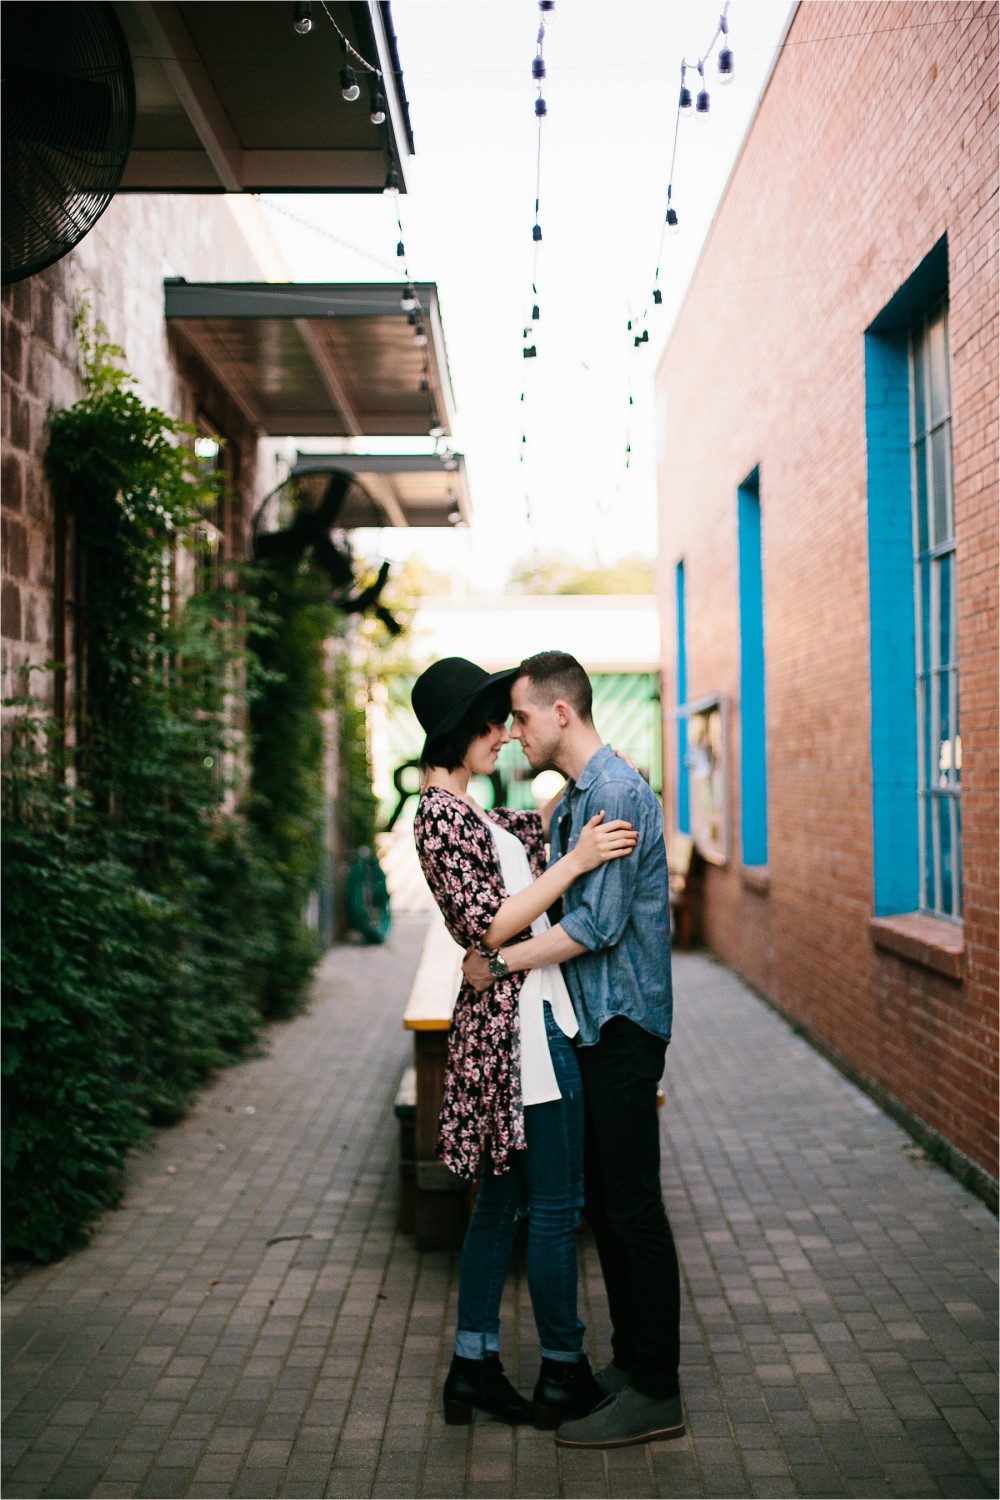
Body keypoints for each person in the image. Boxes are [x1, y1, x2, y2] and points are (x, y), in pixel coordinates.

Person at [410, 656, 638, 1430]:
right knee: (555, 1205)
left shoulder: (472, 812)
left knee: (504, 1200)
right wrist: (576, 862)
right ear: (460, 728)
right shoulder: (438, 815)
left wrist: (601, 776)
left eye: (511, 721)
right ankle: (562, 1373)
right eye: (492, 723)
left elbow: (539, 832)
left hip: (516, 1014)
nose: (505, 735)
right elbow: (487, 925)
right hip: (522, 1026)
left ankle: (473, 1365)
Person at [463, 649, 683, 1450]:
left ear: (562, 713)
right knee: (612, 1210)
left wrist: (497, 962)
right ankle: (633, 1367)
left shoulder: (617, 792)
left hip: (623, 1028)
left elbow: (595, 926)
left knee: (633, 1209)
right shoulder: (572, 803)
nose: (513, 732)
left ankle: (657, 1387)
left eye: (520, 717)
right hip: (592, 1028)